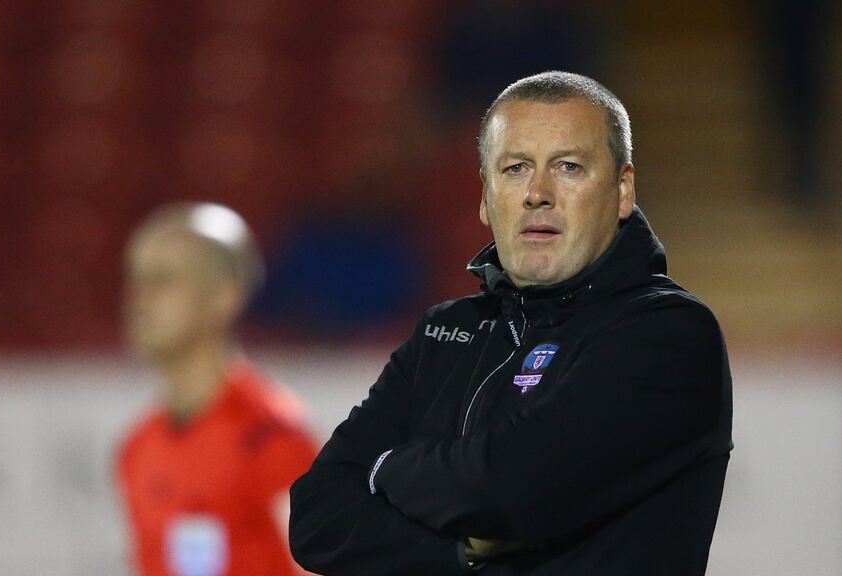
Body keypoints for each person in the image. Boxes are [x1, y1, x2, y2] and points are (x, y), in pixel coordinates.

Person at [289, 71, 733, 575]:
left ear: (623, 190)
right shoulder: (444, 333)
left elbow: (513, 491)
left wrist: (384, 469)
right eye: (515, 168)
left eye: (568, 167)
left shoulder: (668, 333)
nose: (537, 193)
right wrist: (461, 550)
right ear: (484, 196)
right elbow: (314, 520)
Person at [117, 202, 321, 576]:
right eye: (137, 279)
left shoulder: (271, 436)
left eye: (164, 279)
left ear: (225, 295)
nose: (140, 298)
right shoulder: (137, 448)